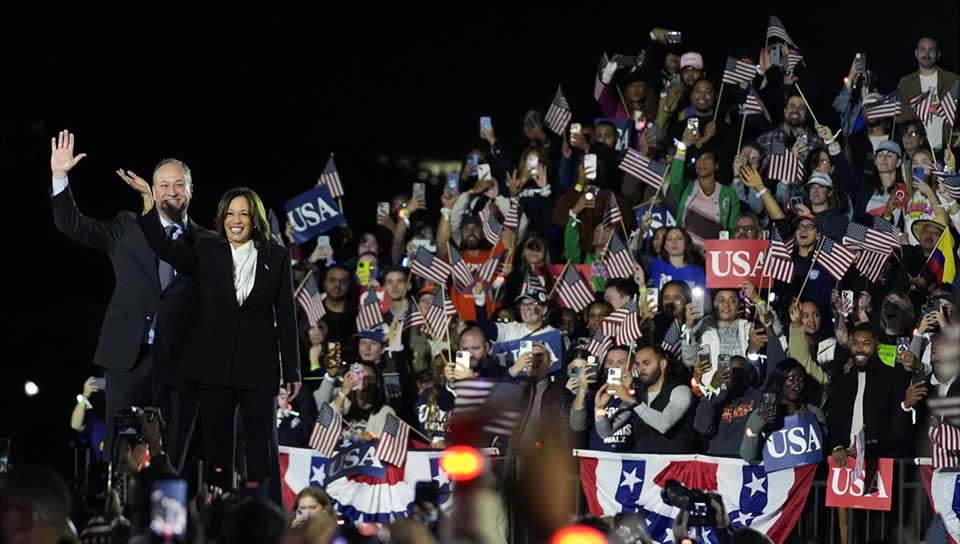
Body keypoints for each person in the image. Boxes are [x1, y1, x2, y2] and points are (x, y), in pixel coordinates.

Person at [126, 175, 301, 505]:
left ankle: (269, 518)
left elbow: (287, 317)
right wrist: (149, 203)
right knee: (219, 454)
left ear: (255, 219)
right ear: (222, 218)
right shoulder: (206, 250)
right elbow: (165, 247)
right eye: (230, 214)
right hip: (214, 371)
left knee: (263, 448)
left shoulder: (276, 257)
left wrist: (291, 370)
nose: (236, 221)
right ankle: (221, 517)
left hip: (258, 370)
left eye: (244, 214)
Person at [49, 130, 213, 472]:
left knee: (175, 455)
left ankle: (171, 521)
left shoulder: (208, 243)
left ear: (191, 190)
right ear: (153, 190)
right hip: (128, 356)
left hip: (180, 363)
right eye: (164, 184)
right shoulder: (127, 227)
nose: (172, 190)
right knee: (119, 458)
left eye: (179, 184)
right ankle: (119, 516)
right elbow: (72, 225)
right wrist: (60, 176)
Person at [740, 359, 826, 463]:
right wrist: (755, 427)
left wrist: (807, 423)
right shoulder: (761, 414)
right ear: (780, 380)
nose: (797, 384)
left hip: (804, 476)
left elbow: (823, 450)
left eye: (801, 379)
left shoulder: (814, 413)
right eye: (791, 378)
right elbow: (747, 455)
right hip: (774, 477)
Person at [897, 36, 959, 153]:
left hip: (947, 148)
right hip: (917, 150)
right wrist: (923, 108)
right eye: (922, 49)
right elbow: (898, 115)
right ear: (916, 53)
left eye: (931, 50)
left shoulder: (953, 80)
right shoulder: (905, 82)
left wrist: (944, 109)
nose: (927, 53)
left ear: (938, 54)